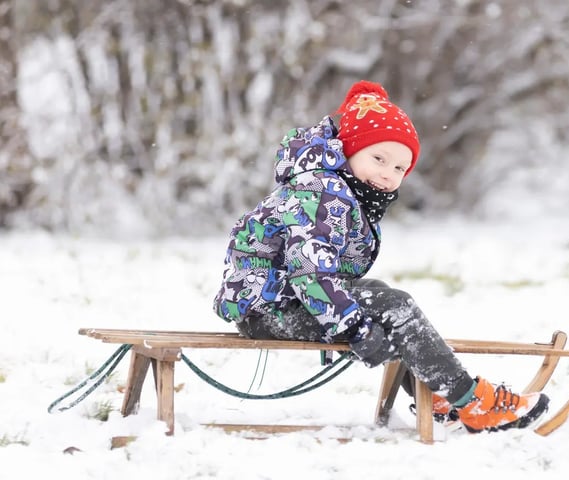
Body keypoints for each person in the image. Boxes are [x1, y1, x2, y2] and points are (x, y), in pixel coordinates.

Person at [212, 80, 549, 433]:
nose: (389, 174)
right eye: (379, 159)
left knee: (384, 299)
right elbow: (310, 274)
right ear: (348, 150)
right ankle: (473, 402)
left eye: (400, 168)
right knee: (392, 304)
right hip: (268, 310)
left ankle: (440, 393)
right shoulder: (321, 194)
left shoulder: (340, 190)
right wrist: (354, 327)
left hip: (286, 301)